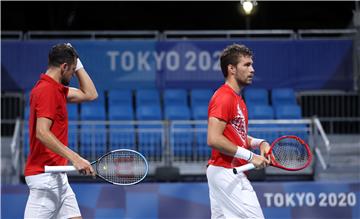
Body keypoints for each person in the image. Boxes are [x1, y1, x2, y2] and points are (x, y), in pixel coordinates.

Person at [24, 43, 98, 219]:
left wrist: (77, 62)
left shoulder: (57, 90)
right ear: (63, 67)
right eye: (72, 70)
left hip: (58, 177)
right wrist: (76, 158)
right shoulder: (46, 90)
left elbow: (90, 94)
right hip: (45, 178)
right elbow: (42, 132)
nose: (73, 75)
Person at [206, 44, 271, 218]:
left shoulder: (237, 99)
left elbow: (237, 136)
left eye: (252, 65)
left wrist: (260, 143)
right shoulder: (224, 97)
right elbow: (214, 139)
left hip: (226, 172)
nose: (252, 70)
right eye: (247, 65)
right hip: (227, 171)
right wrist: (252, 157)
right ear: (231, 69)